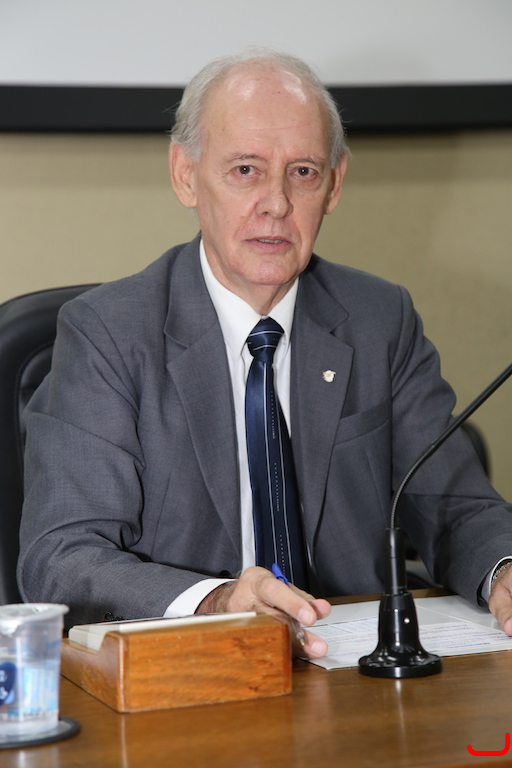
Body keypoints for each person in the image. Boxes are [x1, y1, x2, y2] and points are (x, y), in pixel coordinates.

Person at [17, 50, 512, 656]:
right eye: (246, 169)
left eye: (302, 171)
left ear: (334, 184)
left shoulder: (380, 319)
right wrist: (215, 601)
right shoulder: (108, 333)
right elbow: (61, 555)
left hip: (354, 667)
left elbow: (456, 506)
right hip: (189, 672)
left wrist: (503, 568)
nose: (276, 202)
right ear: (185, 175)